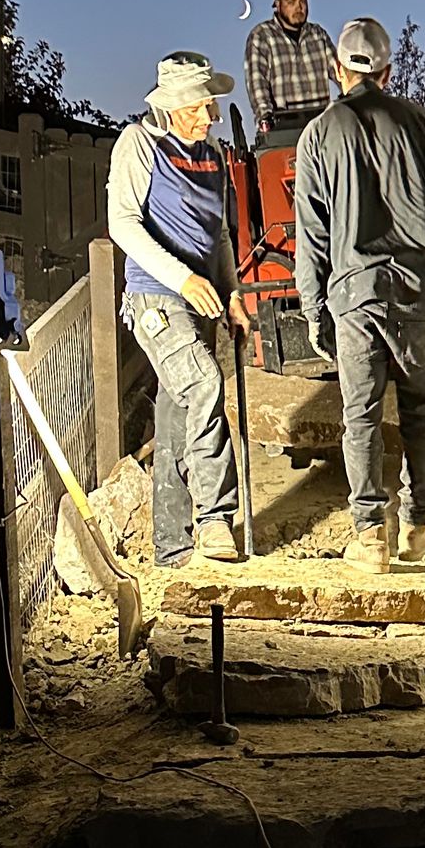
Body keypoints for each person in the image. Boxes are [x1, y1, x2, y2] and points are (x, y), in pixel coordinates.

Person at [292, 17, 425, 573]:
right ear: (389, 71)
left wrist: (313, 306)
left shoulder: (318, 134)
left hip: (355, 292)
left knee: (360, 414)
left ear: (334, 69)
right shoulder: (423, 125)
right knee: (420, 410)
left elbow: (312, 234)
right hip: (420, 290)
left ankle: (369, 537)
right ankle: (416, 526)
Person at [105, 52, 252, 566]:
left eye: (211, 105)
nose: (209, 116)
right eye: (200, 106)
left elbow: (222, 235)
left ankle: (171, 543)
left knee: (175, 414)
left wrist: (231, 292)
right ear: (171, 106)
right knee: (204, 384)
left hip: (202, 294)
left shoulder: (211, 154)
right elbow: (123, 225)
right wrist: (183, 278)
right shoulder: (139, 145)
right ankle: (215, 519)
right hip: (156, 294)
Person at [244, 0, 337, 137]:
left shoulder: (318, 35)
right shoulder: (262, 36)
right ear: (277, 5)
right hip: (284, 132)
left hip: (323, 129)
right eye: (291, 2)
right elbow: (257, 83)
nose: (298, 8)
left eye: (302, 1)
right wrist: (265, 117)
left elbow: (340, 72)